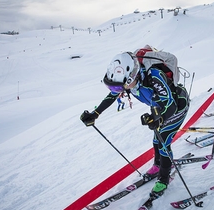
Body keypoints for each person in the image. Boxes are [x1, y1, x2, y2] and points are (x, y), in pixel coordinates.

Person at [80, 50, 190, 197]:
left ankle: (163, 179)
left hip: (177, 106)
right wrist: (95, 113)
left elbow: (171, 104)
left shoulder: (154, 76)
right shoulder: (128, 80)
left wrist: (160, 119)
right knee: (156, 139)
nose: (118, 91)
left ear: (132, 76)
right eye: (115, 87)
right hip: (159, 107)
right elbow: (112, 95)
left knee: (163, 140)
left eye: (119, 87)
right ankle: (158, 166)